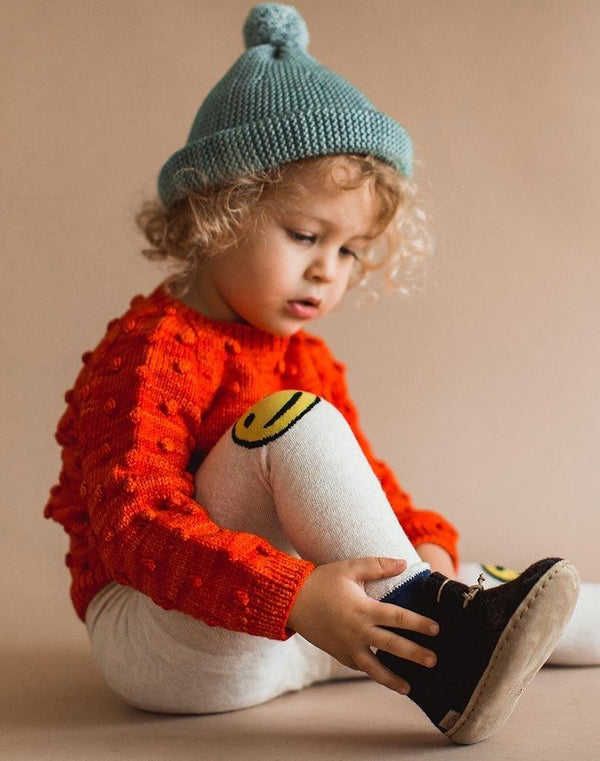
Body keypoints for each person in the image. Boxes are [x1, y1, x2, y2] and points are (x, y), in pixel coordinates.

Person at [44, 3, 593, 746]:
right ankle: (451, 658)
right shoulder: (153, 349)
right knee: (295, 423)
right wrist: (296, 593)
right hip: (164, 641)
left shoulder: (303, 352)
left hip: (289, 637)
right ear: (217, 210)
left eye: (349, 252)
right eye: (305, 235)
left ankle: (462, 626)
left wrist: (422, 545)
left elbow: (366, 482)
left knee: (490, 589)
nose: (325, 273)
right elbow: (134, 526)